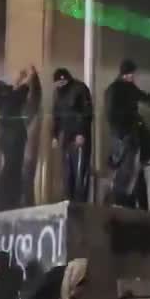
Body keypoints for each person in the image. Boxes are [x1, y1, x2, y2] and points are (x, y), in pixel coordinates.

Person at [105, 60, 150, 208]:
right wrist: (120, 133)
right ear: (123, 74)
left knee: (135, 168)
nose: (132, 77)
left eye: (133, 74)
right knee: (127, 169)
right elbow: (110, 114)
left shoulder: (130, 88)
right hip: (123, 135)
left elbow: (145, 97)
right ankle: (122, 200)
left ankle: (136, 202)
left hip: (131, 134)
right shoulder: (114, 90)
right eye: (129, 75)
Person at [0, 70, 33, 213]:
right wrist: (30, 76)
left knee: (10, 168)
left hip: (5, 141)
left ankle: (7, 200)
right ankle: (7, 200)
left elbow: (13, 90)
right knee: (12, 170)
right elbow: (23, 90)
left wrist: (19, 78)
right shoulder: (10, 101)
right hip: (14, 141)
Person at [51, 68, 94, 203]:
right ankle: (69, 204)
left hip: (79, 138)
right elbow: (56, 115)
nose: (57, 86)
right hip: (67, 138)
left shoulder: (80, 89)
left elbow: (87, 113)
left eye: (59, 82)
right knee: (68, 174)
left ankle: (80, 206)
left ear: (64, 80)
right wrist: (55, 135)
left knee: (80, 174)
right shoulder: (58, 93)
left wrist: (81, 133)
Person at [20, 67, 44, 207]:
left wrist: (31, 77)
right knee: (26, 179)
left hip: (26, 154)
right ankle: (27, 203)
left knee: (27, 178)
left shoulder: (31, 108)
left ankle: (27, 204)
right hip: (26, 153)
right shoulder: (29, 107)